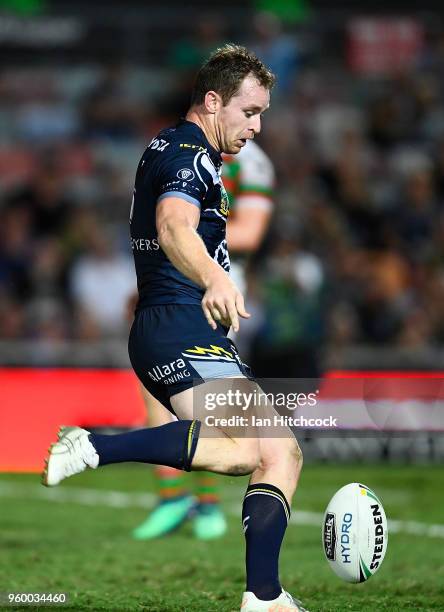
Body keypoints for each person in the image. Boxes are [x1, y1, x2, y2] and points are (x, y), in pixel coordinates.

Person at [42, 44, 305, 612]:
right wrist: (214, 276)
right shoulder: (189, 154)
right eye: (250, 111)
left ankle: (264, 597)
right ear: (214, 101)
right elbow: (172, 224)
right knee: (253, 452)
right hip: (181, 325)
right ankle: (93, 446)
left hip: (179, 324)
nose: (257, 126)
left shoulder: (178, 147)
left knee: (276, 453)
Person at [131, 139, 275, 542]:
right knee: (154, 386)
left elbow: (249, 232)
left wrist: (183, 225)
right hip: (170, 280)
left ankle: (208, 501)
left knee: (204, 397)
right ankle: (172, 496)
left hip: (218, 286)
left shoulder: (252, 163)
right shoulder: (176, 153)